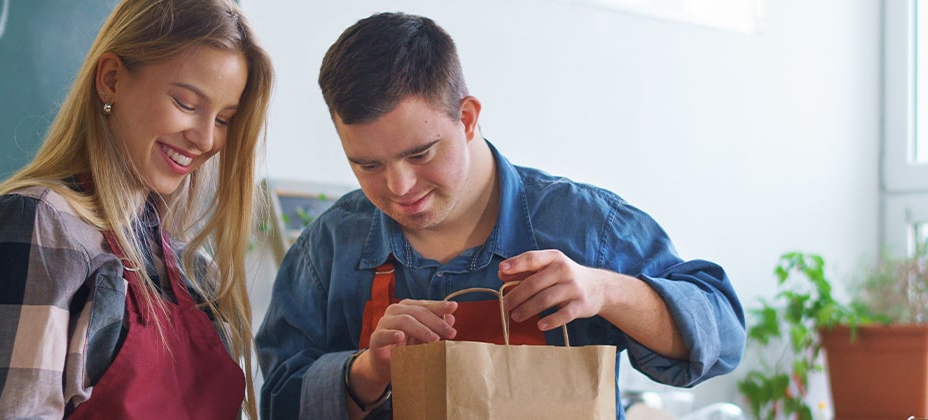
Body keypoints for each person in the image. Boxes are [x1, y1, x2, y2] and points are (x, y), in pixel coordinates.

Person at [257, 12, 744, 419]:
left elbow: (722, 338)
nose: (399, 187)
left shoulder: (586, 225)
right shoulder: (329, 247)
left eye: (421, 154)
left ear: (467, 118)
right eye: (367, 165)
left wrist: (607, 290)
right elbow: (278, 399)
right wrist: (366, 372)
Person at [0, 0, 274, 418]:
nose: (204, 138)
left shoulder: (197, 271)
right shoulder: (37, 226)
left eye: (224, 119)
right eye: (186, 103)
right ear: (110, 80)